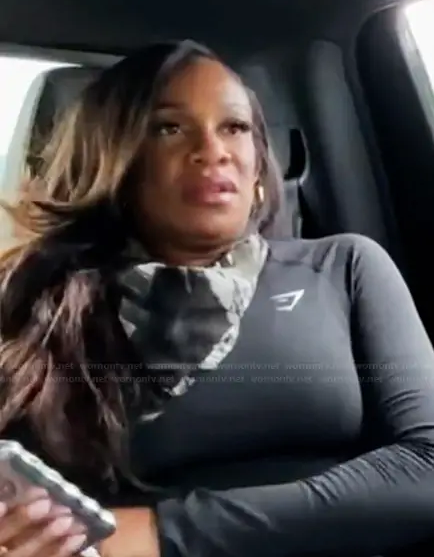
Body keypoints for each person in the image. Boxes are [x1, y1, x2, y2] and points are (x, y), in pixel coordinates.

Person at [0, 38, 434, 557]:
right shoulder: (37, 310)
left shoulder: (342, 269)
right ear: (115, 157)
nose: (212, 150)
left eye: (234, 127)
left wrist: (165, 533)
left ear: (258, 163)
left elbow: (428, 466)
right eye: (169, 128)